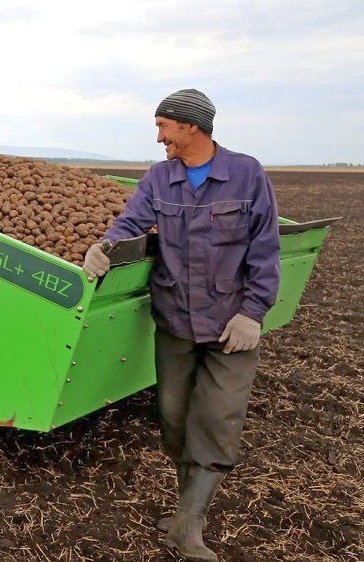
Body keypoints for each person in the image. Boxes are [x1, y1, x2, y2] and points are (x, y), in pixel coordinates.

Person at [82, 89, 280, 562]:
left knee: (218, 419)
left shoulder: (246, 174)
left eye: (163, 126)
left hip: (230, 324)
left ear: (191, 126)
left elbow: (265, 247)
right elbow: (131, 222)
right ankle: (185, 511)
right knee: (173, 419)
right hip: (175, 320)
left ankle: (189, 524)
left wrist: (253, 313)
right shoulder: (159, 178)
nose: (159, 138)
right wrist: (104, 247)